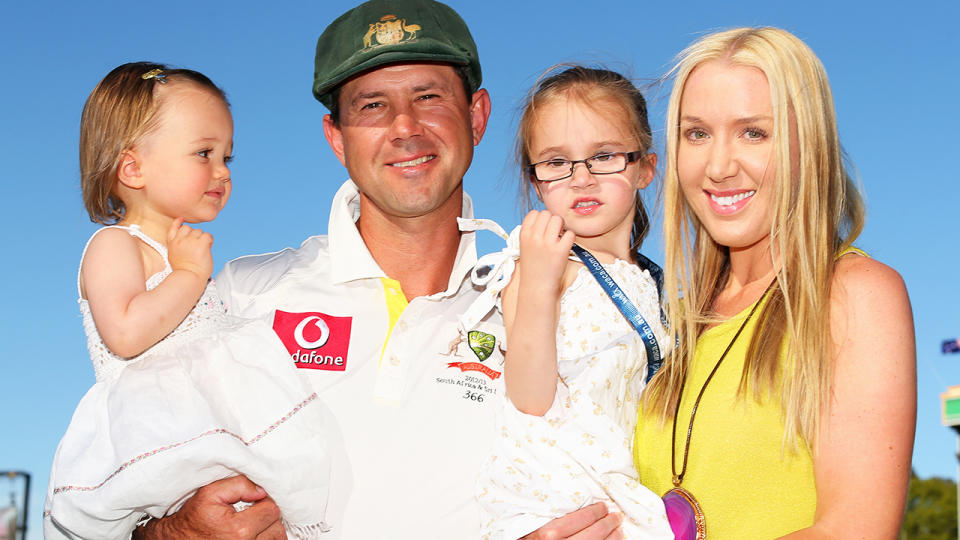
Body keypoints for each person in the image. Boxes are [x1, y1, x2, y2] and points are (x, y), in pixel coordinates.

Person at [133, 2, 624, 539]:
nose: (405, 127)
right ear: (336, 137)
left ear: (477, 116)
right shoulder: (240, 295)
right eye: (371, 106)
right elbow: (92, 498)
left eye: (429, 97)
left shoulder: (550, 308)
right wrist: (171, 532)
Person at [633, 27, 917, 538]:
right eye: (697, 134)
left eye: (753, 133)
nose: (718, 166)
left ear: (808, 145)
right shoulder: (662, 322)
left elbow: (856, 529)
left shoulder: (855, 295)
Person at [43, 62, 330, 539]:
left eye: (227, 158)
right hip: (160, 431)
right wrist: (190, 274)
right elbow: (127, 333)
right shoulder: (115, 245)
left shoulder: (179, 252)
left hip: (209, 429)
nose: (222, 172)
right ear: (132, 168)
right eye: (204, 153)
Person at [460, 66, 672, 539]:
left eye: (604, 156)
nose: (582, 178)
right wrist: (538, 282)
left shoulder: (652, 283)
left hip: (618, 486)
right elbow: (531, 397)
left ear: (644, 168)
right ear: (536, 182)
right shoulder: (541, 268)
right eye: (557, 162)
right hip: (554, 493)